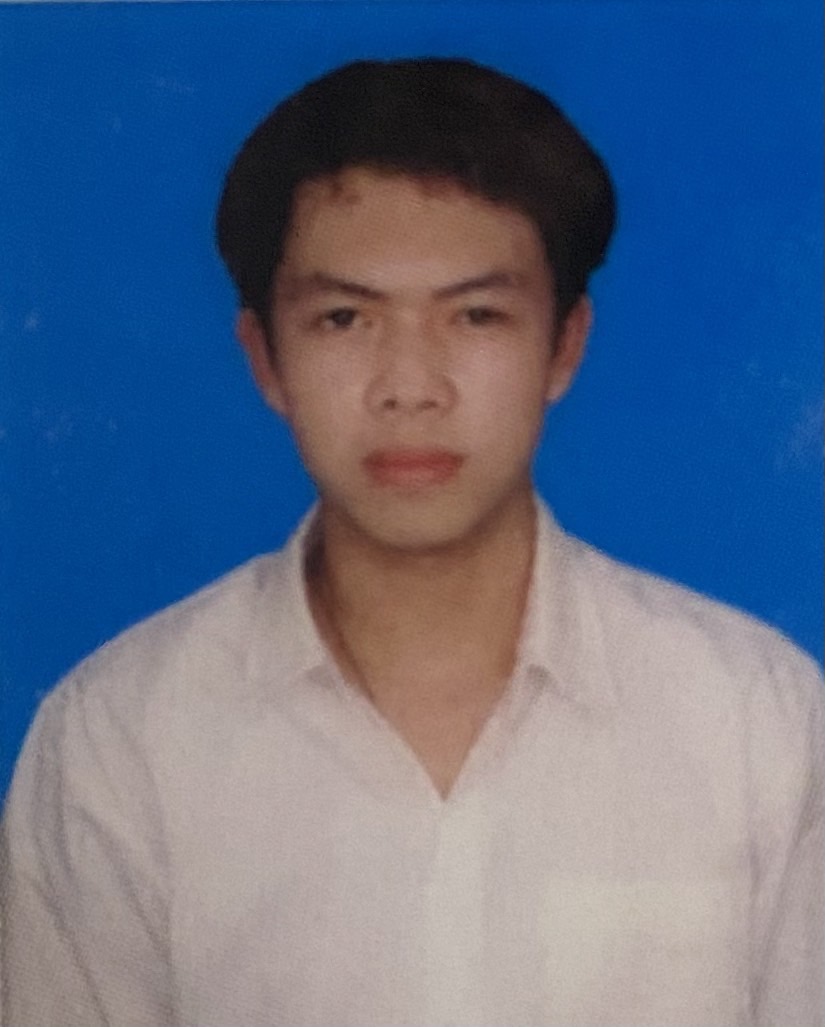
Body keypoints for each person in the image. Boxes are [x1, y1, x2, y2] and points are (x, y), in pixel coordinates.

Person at [1, 57, 822, 1027]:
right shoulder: (119, 741)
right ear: (265, 358)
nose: (410, 386)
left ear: (564, 344)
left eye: (475, 315)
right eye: (344, 318)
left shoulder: (754, 721)